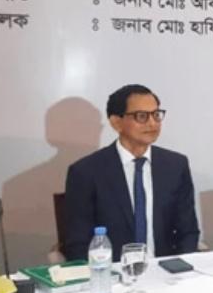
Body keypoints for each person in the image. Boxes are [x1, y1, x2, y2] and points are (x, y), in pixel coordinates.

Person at [63, 84, 200, 262]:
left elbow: (188, 231)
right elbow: (78, 243)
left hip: (166, 270)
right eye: (141, 116)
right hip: (112, 271)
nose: (152, 123)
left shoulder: (175, 165)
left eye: (156, 115)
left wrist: (180, 268)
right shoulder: (86, 172)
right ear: (116, 122)